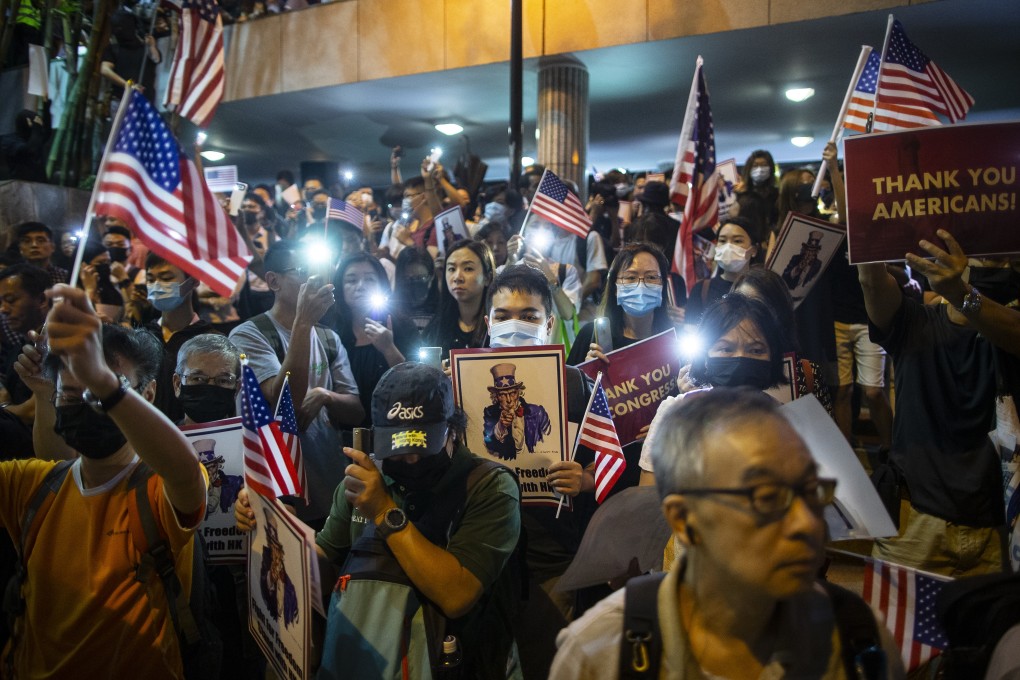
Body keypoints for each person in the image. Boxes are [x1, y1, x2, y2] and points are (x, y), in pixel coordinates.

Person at [550, 388, 904, 680]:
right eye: (767, 498)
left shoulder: (859, 643)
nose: (805, 523)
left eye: (811, 492)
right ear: (685, 520)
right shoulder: (601, 653)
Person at [235, 362, 522, 679]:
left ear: (452, 429)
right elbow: (326, 568)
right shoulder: (360, 484)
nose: (411, 460)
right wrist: (280, 531)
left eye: (423, 447)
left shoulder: (489, 486)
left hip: (457, 663)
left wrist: (384, 512)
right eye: (397, 449)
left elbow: (457, 596)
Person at [0, 285, 208, 678]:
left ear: (147, 394)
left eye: (99, 393)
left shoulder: (156, 491)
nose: (87, 402)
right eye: (71, 393)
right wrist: (50, 391)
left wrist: (103, 383)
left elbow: (183, 469)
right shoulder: (30, 486)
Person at [859, 230, 1020, 576]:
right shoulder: (914, 322)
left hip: (1001, 528)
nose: (995, 267)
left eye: (1003, 260)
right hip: (916, 524)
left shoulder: (1009, 329)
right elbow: (872, 282)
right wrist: (863, 223)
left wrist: (964, 296)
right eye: (982, 257)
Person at [484, 263, 597, 678]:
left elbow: (605, 464)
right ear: (488, 323)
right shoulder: (460, 382)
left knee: (547, 663)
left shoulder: (574, 384)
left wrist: (583, 480)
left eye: (528, 316)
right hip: (482, 552)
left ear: (548, 324)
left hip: (551, 554)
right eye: (503, 316)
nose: (514, 325)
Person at [229, 239, 363, 527]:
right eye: (302, 270)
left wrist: (325, 395)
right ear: (273, 281)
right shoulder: (249, 335)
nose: (312, 279)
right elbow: (282, 401)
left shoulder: (328, 337)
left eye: (315, 271)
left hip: (330, 487)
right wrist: (302, 323)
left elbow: (355, 409)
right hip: (280, 492)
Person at [331, 252, 416, 426]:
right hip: (345, 432)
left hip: (396, 428)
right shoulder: (332, 332)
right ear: (340, 287)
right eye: (351, 280)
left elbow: (418, 386)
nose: (360, 286)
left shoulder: (402, 325)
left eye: (369, 279)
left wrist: (389, 348)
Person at [0, 264, 50, 458]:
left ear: (42, 299)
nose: (3, 309)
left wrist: (4, 411)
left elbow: (33, 411)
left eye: (11, 300)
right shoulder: (22, 341)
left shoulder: (60, 342)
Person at [683, 216, 763, 325]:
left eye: (737, 241)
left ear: (754, 250)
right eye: (722, 240)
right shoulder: (701, 289)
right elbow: (690, 330)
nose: (728, 246)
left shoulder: (762, 290)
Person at [425, 239, 494, 360]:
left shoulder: (497, 325)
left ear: (487, 277)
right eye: (451, 269)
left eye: (468, 269)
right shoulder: (437, 325)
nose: (457, 277)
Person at [482, 362, 552, 460]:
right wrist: (500, 426)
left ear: (519, 393)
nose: (509, 400)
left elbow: (551, 443)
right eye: (502, 394)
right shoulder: (490, 413)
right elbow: (488, 445)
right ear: (496, 397)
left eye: (512, 393)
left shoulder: (538, 412)